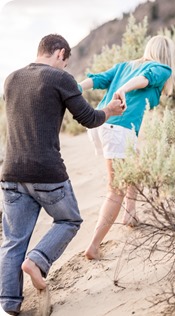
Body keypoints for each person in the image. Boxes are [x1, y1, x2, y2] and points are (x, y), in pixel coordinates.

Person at [0, 34, 124, 315]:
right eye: (65, 63)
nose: (65, 69)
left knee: (13, 239)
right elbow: (89, 118)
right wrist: (112, 110)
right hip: (47, 171)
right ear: (59, 53)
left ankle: (9, 303)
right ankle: (38, 260)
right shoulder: (60, 79)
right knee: (69, 219)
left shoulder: (11, 78)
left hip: (10, 173)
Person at [79, 35, 175, 260]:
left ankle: (130, 214)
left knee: (135, 163)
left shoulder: (126, 65)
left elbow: (99, 79)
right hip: (117, 127)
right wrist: (124, 89)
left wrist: (74, 88)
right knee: (116, 189)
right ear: (167, 54)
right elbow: (145, 78)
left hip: (100, 124)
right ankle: (94, 246)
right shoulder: (161, 68)